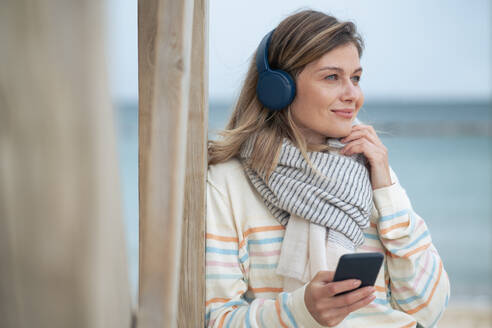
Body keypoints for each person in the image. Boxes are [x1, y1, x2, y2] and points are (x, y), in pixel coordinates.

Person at [205, 9, 450, 328]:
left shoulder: (370, 176)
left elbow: (428, 309)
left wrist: (388, 191)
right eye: (332, 77)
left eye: (356, 78)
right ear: (279, 88)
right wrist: (300, 311)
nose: (353, 95)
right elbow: (215, 319)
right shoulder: (227, 183)